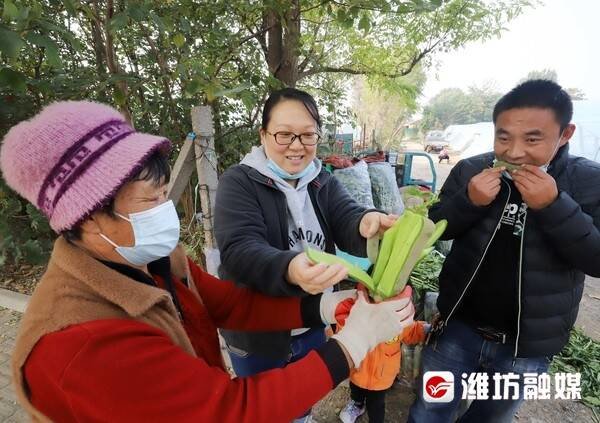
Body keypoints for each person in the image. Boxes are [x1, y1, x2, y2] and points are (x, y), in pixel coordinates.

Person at [0, 101, 416, 422]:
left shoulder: (153, 258)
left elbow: (230, 304)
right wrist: (352, 344)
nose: (167, 212)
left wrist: (324, 305)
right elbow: (229, 410)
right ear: (88, 217)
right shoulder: (82, 342)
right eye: (151, 200)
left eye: (165, 194)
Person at [408, 79, 600, 422]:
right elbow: (434, 229)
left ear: (565, 134)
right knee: (429, 412)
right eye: (503, 137)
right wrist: (470, 201)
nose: (513, 152)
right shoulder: (471, 170)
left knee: (490, 418)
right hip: (457, 329)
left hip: (525, 348)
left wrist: (555, 207)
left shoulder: (587, 181)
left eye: (533, 139)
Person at [214, 88, 398, 421]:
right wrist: (290, 269)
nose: (297, 146)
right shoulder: (238, 182)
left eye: (307, 135)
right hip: (256, 329)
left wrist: (368, 222)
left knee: (302, 399)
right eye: (284, 135)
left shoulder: (321, 182)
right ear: (264, 134)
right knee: (262, 407)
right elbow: (240, 249)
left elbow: (347, 217)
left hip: (311, 319)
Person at [336, 287, 429, 423]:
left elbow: (412, 331)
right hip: (358, 370)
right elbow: (342, 327)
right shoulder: (358, 312)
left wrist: (426, 329)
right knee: (356, 391)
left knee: (376, 404)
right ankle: (357, 405)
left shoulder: (400, 320)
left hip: (381, 378)